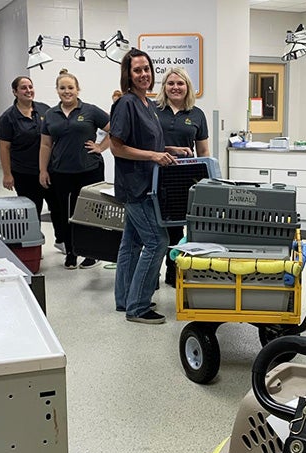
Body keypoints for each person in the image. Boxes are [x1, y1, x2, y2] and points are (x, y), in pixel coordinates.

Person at [109, 49, 175, 324]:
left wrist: (170, 149)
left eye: (146, 69)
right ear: (129, 74)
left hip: (147, 183)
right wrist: (153, 156)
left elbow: (147, 143)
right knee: (158, 241)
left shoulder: (146, 103)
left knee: (131, 243)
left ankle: (125, 299)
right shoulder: (126, 104)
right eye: (137, 70)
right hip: (136, 186)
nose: (144, 74)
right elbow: (116, 147)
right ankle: (138, 307)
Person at [39, 69, 110, 270]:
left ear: (77, 89)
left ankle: (91, 253)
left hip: (89, 170)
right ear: (57, 90)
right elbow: (45, 145)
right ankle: (71, 253)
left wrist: (100, 147)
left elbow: (114, 130)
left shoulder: (90, 110)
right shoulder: (50, 114)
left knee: (90, 213)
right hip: (61, 172)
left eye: (71, 87)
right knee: (64, 213)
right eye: (63, 88)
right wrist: (43, 170)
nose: (67, 91)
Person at [0, 76, 65, 253]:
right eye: (23, 88)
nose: (28, 91)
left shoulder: (44, 110)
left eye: (30, 87)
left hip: (49, 170)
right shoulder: (8, 117)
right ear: (15, 92)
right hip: (24, 172)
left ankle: (62, 240)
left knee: (57, 206)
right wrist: (7, 174)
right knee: (32, 211)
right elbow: (4, 148)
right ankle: (34, 245)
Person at [154, 67, 210, 287]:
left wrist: (208, 182)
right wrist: (170, 149)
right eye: (171, 83)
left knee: (177, 227)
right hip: (156, 175)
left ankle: (173, 272)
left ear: (188, 87)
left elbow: (203, 152)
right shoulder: (153, 110)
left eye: (180, 83)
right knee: (156, 229)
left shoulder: (196, 114)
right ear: (164, 87)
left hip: (183, 178)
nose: (175, 87)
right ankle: (151, 276)